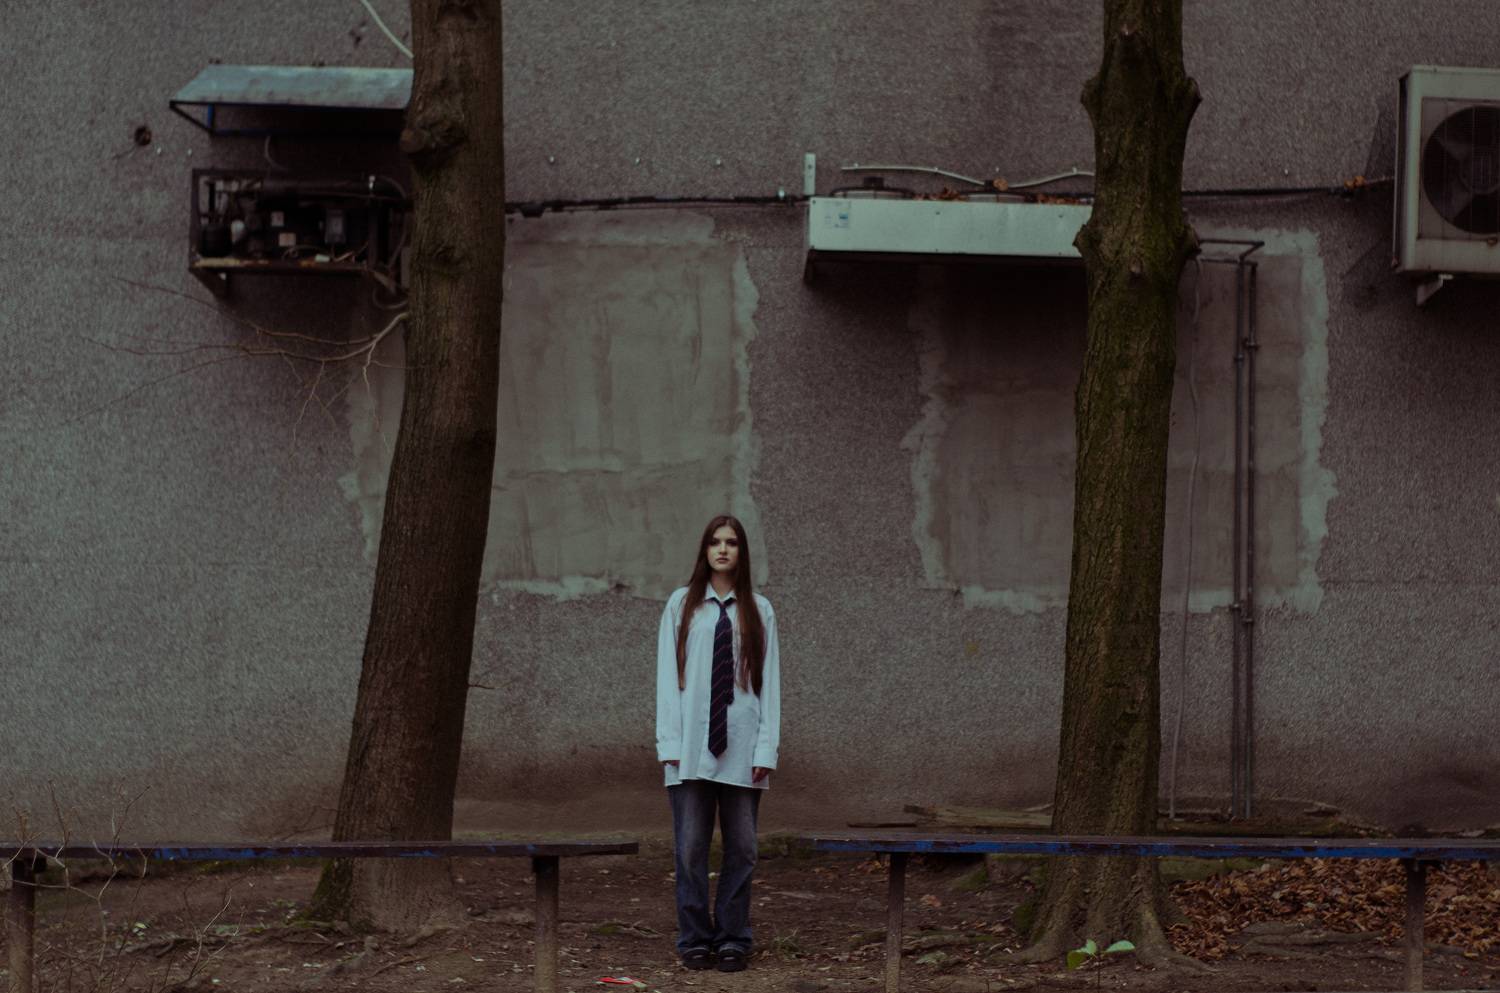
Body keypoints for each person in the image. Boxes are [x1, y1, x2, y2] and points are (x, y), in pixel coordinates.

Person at [654, 514, 781, 973]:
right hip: (690, 746)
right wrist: (669, 742)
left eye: (731, 542)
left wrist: (766, 748)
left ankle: (732, 936)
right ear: (705, 550)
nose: (722, 549)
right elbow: (667, 677)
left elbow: (770, 683)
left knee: (742, 848)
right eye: (714, 542)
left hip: (742, 746)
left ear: (742, 552)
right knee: (690, 847)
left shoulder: (759, 610)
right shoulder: (681, 605)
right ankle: (694, 937)